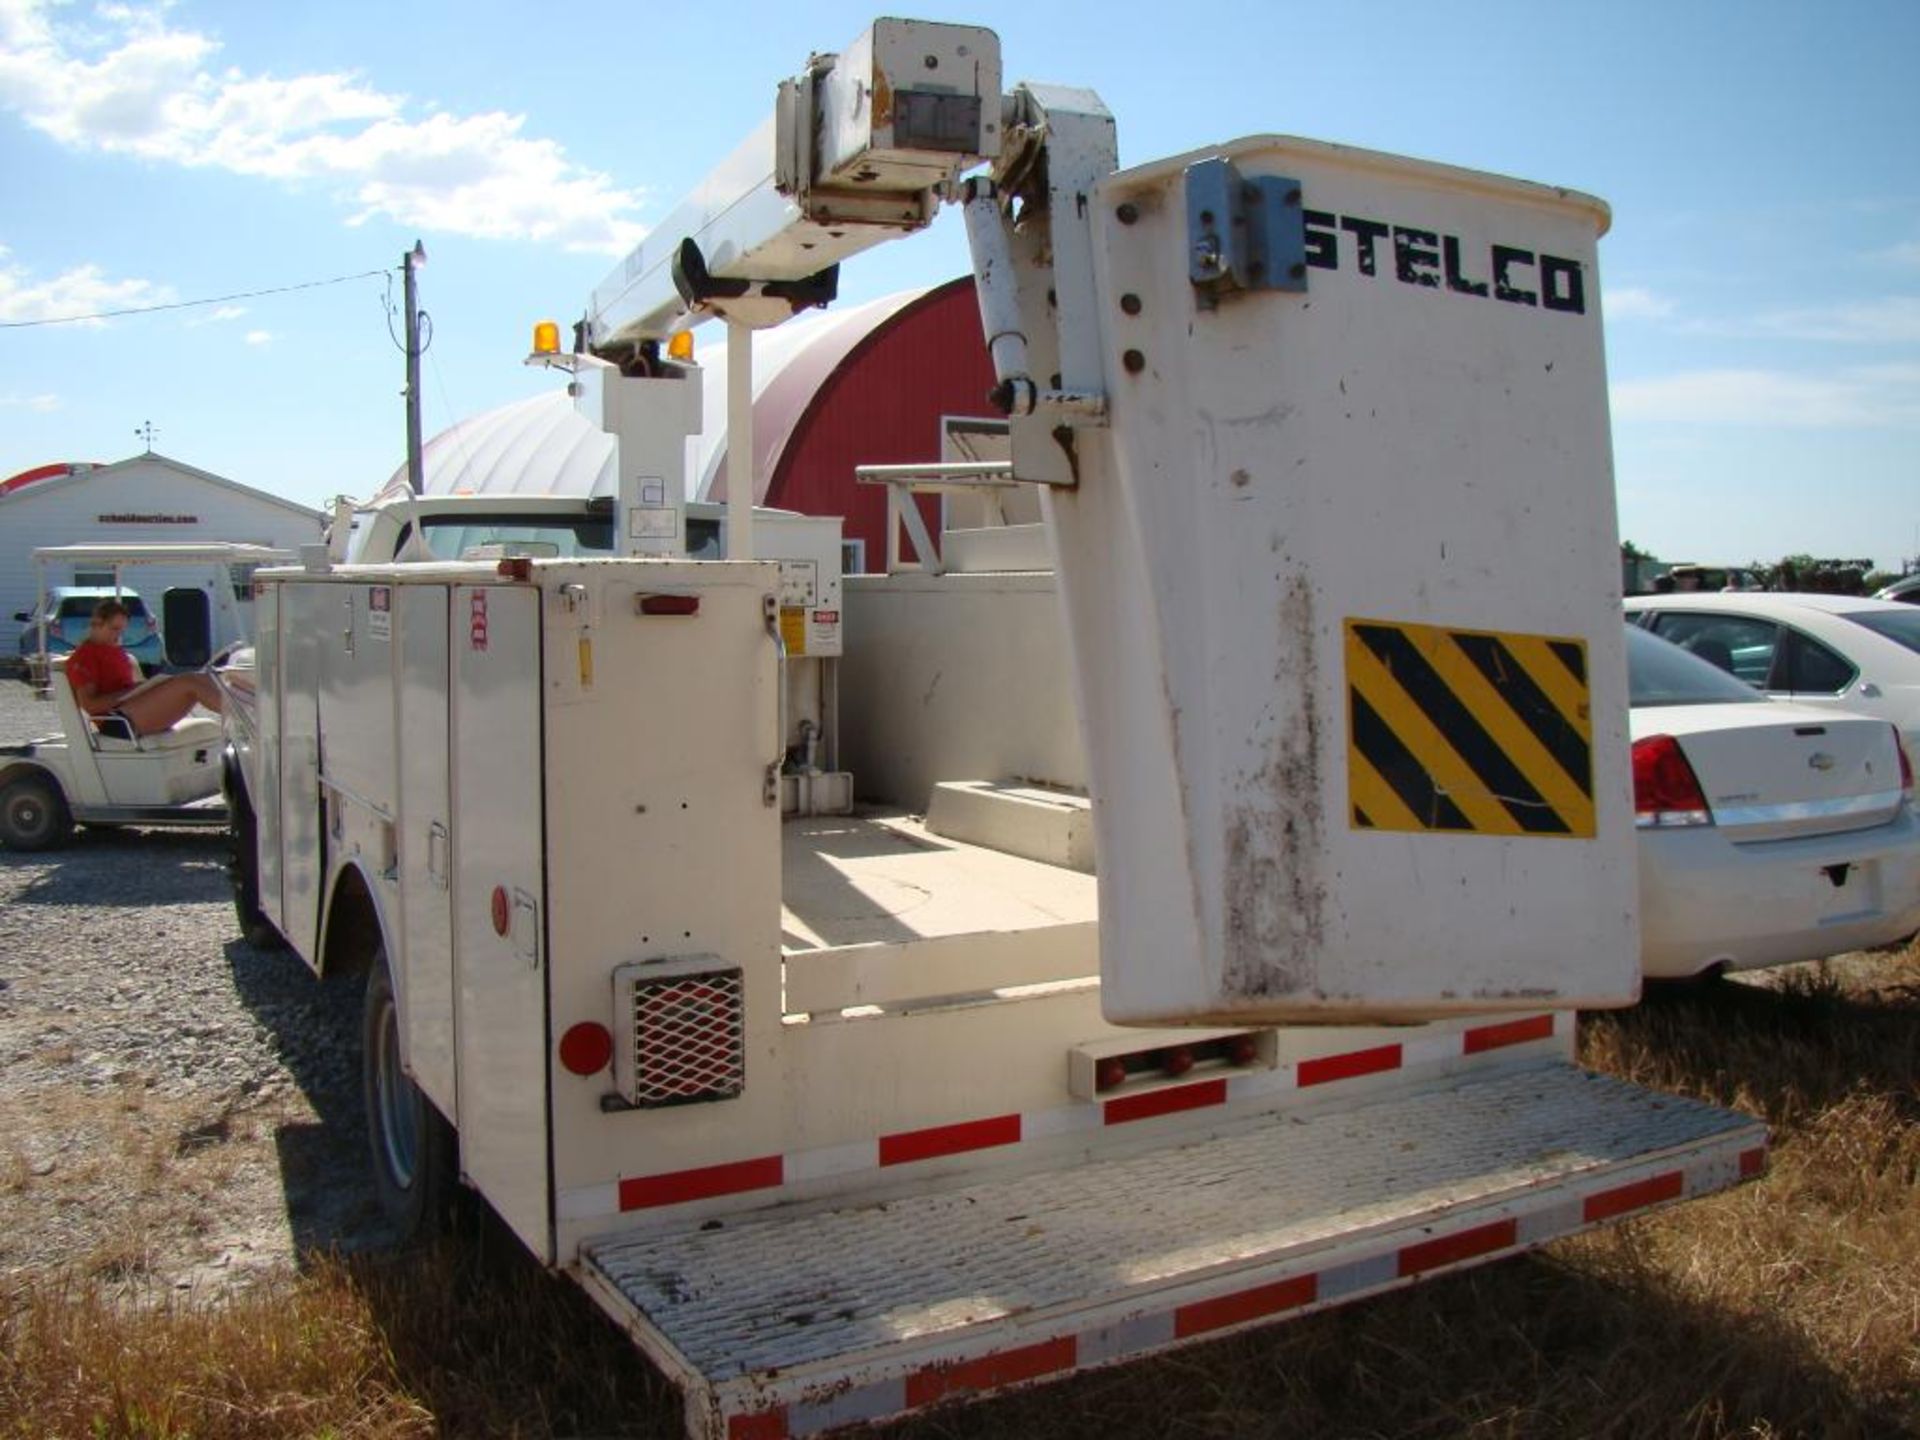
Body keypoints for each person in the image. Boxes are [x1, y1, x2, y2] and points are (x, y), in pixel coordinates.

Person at [65, 598, 224, 736]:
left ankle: (241, 709)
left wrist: (144, 687)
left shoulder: (115, 651)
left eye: (121, 630)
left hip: (132, 709)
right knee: (188, 682)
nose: (119, 635)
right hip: (116, 721)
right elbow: (90, 705)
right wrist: (131, 691)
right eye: (114, 629)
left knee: (201, 677)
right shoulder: (84, 657)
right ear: (96, 623)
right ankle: (241, 717)